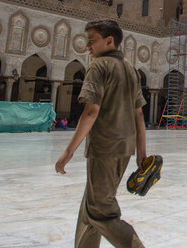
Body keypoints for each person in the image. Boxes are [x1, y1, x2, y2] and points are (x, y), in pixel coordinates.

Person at [54, 19, 147, 248]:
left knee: (101, 212)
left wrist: (68, 151)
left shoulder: (99, 65)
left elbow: (91, 111)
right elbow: (139, 115)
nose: (88, 46)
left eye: (92, 41)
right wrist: (141, 154)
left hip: (104, 147)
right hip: (124, 149)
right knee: (90, 207)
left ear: (109, 40)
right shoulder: (130, 68)